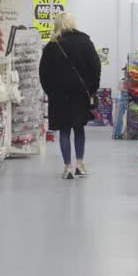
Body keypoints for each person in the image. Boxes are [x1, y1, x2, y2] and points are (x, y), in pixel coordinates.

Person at [38, 12, 101, 179]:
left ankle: (67, 167)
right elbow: (96, 67)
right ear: (73, 23)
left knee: (64, 131)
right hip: (80, 94)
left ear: (56, 24)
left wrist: (50, 92)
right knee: (79, 128)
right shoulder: (84, 41)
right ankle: (79, 164)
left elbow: (43, 73)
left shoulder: (51, 46)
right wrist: (92, 89)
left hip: (59, 96)